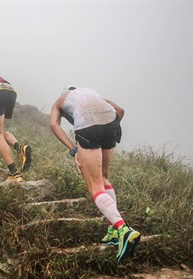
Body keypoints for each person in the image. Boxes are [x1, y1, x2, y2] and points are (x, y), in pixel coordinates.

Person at [49, 86, 140, 265]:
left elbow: (53, 125)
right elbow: (120, 110)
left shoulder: (60, 102)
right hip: (111, 121)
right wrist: (110, 130)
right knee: (104, 176)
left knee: (95, 185)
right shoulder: (92, 93)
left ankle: (123, 230)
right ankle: (112, 230)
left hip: (88, 124)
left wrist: (73, 150)